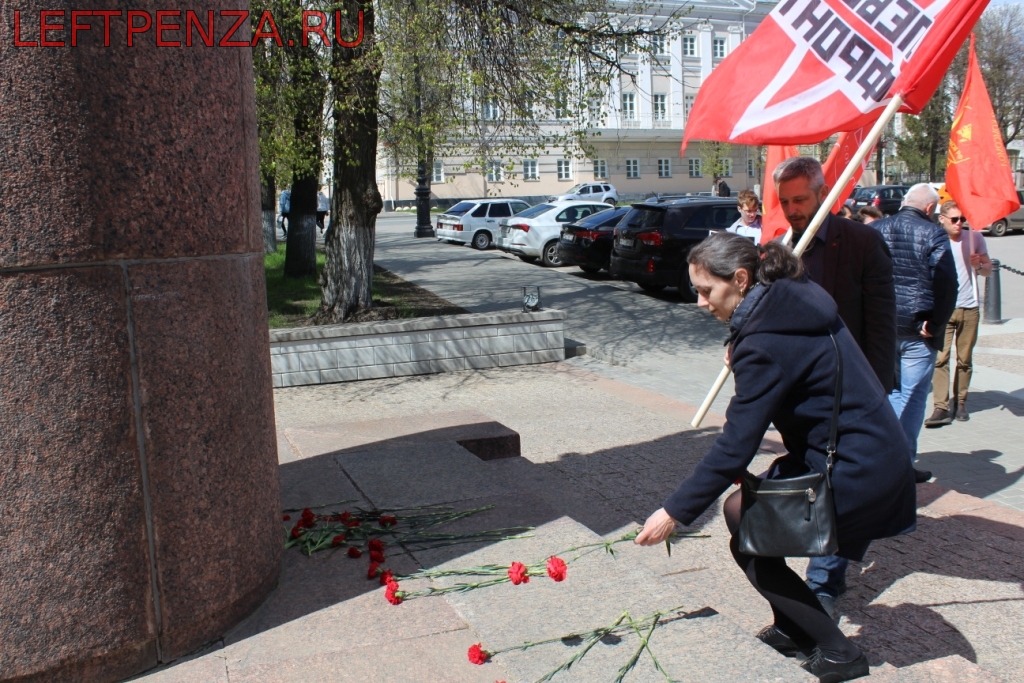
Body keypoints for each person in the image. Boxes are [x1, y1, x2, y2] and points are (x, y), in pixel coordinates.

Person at [636, 232, 915, 683]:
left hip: (856, 468)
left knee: (747, 532)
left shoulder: (765, 342)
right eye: (697, 292)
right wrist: (743, 345)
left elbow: (735, 445)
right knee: (745, 521)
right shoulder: (791, 298)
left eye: (708, 291)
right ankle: (793, 626)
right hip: (866, 452)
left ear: (741, 279)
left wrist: (674, 511)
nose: (702, 303)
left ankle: (839, 653)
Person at [773, 157, 898, 620]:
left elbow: (883, 322)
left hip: (856, 390)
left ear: (823, 194)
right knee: (821, 477)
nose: (792, 210)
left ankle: (824, 579)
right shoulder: (779, 250)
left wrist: (879, 388)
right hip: (804, 397)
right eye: (785, 202)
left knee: (839, 482)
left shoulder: (862, 241)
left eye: (800, 199)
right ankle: (834, 558)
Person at [871, 185, 957, 464]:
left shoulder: (877, 229)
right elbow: (946, 282)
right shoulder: (933, 232)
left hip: (884, 325)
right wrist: (936, 323)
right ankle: (902, 461)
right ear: (930, 209)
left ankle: (889, 455)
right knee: (913, 395)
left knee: (893, 392)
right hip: (918, 329)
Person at [924, 201, 993, 427]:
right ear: (941, 219)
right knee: (940, 359)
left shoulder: (974, 238)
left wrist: (978, 265)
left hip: (969, 306)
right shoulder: (936, 240)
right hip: (945, 308)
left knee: (965, 359)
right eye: (954, 219)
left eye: (962, 219)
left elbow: (988, 270)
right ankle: (940, 406)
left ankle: (961, 402)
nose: (959, 224)